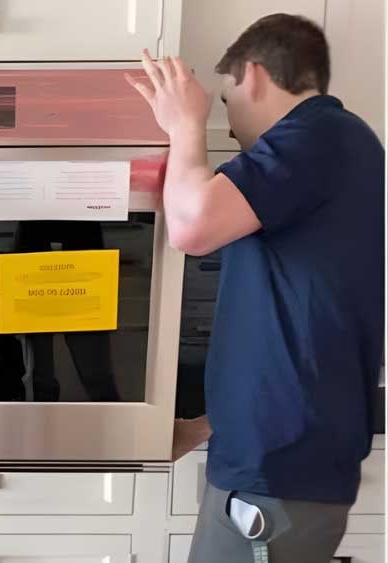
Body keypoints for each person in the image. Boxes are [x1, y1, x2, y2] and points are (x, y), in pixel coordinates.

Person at [127, 13, 385, 563]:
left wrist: (185, 127)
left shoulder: (316, 135)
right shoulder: (335, 148)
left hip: (276, 479)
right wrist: (205, 427)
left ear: (253, 74)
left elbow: (191, 229)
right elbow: (294, 328)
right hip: (276, 472)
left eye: (224, 101)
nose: (230, 123)